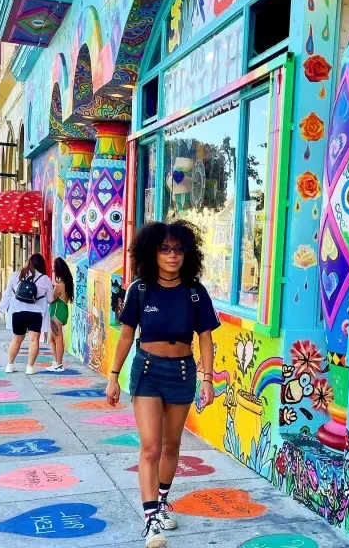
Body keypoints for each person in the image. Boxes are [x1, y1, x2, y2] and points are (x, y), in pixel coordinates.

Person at [106, 220, 219, 548]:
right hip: (148, 371)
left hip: (183, 372)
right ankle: (151, 519)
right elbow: (127, 334)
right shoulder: (140, 290)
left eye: (179, 249)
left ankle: (162, 500)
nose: (173, 255)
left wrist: (208, 379)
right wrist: (113, 377)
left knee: (172, 446)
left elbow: (206, 339)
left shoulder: (195, 293)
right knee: (151, 446)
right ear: (151, 252)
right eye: (165, 249)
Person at [0, 253, 54, 375]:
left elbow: (7, 294)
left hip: (18, 313)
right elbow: (50, 300)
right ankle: (30, 368)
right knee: (34, 341)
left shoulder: (16, 275)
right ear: (41, 265)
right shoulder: (45, 279)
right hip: (35, 314)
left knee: (16, 340)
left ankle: (10, 365)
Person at [47, 257, 74, 372]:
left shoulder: (59, 285)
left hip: (56, 313)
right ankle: (57, 361)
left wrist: (50, 289)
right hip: (62, 311)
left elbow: (51, 299)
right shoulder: (67, 283)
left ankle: (59, 363)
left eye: (53, 268)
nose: (52, 270)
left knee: (58, 338)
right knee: (51, 339)